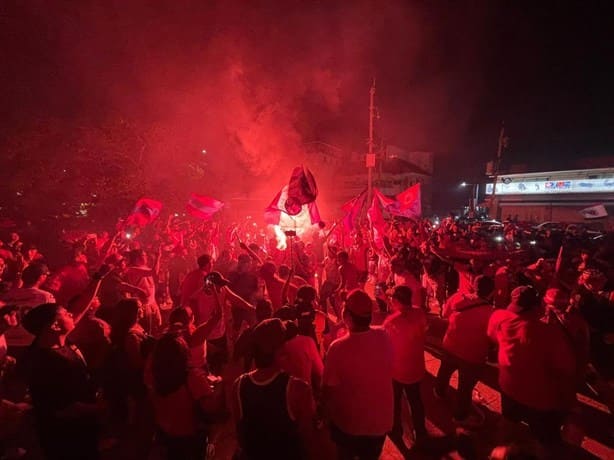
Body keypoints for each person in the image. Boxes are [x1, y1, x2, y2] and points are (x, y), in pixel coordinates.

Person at [488, 286, 577, 446]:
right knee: (545, 441)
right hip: (539, 399)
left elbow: (492, 336)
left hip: (508, 386)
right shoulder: (551, 333)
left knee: (508, 422)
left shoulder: (499, 316)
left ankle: (499, 452)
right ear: (538, 307)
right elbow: (565, 370)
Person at [20, 298, 103, 460]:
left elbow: (79, 310)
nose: (72, 315)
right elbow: (65, 408)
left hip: (82, 427)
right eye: (65, 314)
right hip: (65, 434)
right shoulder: (44, 362)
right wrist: (104, 407)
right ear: (55, 326)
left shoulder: (63, 345)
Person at [323, 289, 393, 460]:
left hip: (349, 425)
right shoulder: (384, 335)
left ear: (346, 315)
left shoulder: (337, 348)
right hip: (380, 423)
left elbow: (328, 390)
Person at [233, 318, 315, 460]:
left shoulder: (238, 386)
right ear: (281, 350)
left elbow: (241, 435)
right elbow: (308, 439)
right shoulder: (298, 389)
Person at [147, 332, 219, 460]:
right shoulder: (192, 377)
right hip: (189, 440)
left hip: (163, 436)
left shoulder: (153, 375)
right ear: (183, 353)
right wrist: (219, 388)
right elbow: (211, 409)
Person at [434, 275, 495, 424]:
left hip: (450, 344)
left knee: (445, 370)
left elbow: (445, 315)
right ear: (491, 292)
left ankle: (439, 392)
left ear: (474, 286)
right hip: (472, 354)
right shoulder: (491, 312)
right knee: (465, 387)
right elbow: (492, 336)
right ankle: (460, 416)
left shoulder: (457, 298)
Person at [382, 285, 428, 449]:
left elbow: (385, 345)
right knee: (416, 401)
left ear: (396, 300)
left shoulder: (391, 322)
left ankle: (396, 430)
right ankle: (421, 432)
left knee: (395, 401)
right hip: (416, 367)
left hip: (398, 371)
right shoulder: (419, 312)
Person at [1, 263, 55, 357]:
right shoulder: (46, 297)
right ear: (41, 277)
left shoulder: (6, 295)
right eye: (46, 275)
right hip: (27, 344)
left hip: (5, 341)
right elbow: (52, 319)